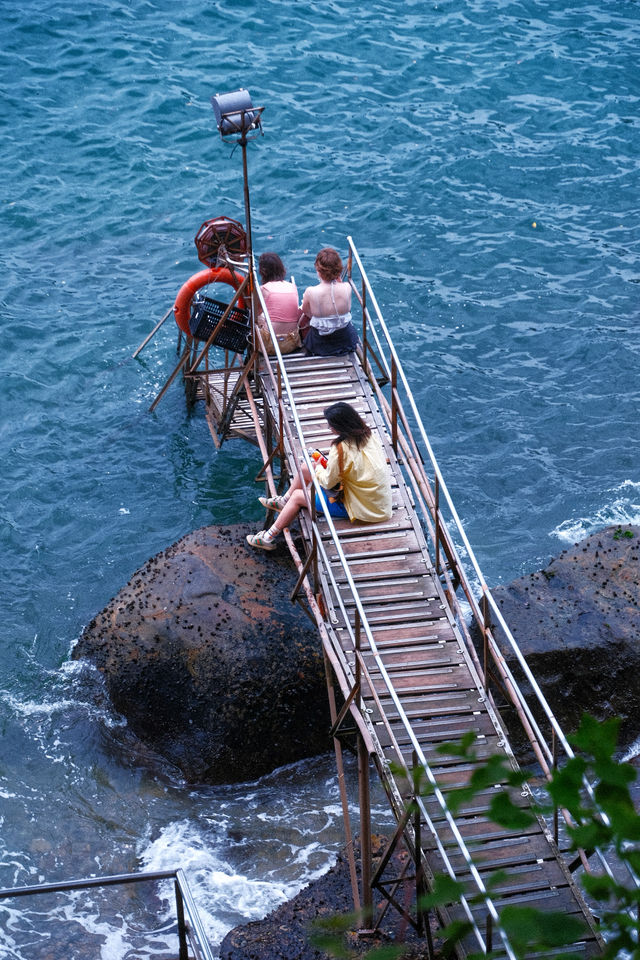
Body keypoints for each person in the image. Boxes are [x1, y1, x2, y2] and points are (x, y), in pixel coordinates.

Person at [246, 401, 392, 551]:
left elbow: (328, 483)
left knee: (298, 496)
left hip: (361, 508)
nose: (330, 429)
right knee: (305, 468)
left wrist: (317, 470)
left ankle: (267, 538)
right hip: (377, 501)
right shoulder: (368, 434)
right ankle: (283, 502)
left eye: (331, 425)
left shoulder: (340, 448)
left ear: (340, 426)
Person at [299, 247, 359, 356]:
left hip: (320, 344)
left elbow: (306, 312)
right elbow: (347, 309)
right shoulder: (347, 287)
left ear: (318, 271)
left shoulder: (311, 291)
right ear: (338, 269)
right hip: (346, 341)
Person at [256, 252, 300, 349]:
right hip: (292, 342)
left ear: (262, 271)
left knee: (257, 315)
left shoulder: (263, 289)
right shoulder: (292, 286)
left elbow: (256, 314)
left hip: (271, 345)